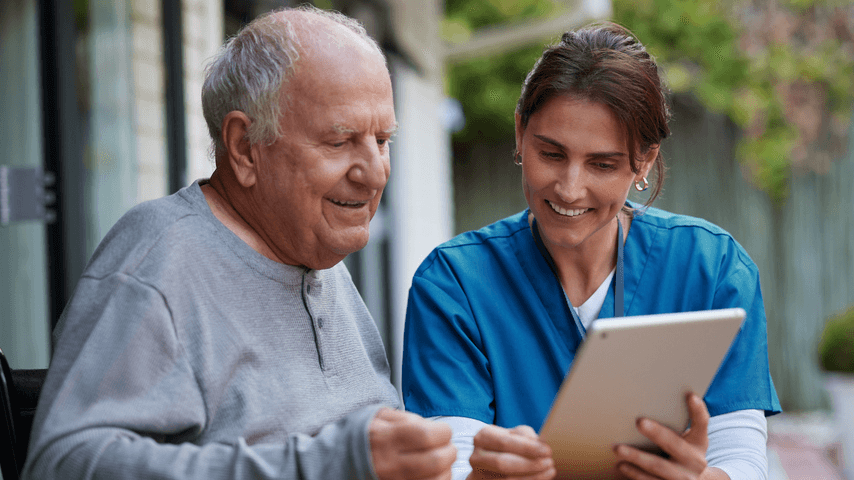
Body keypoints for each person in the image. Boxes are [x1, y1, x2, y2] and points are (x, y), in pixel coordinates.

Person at [22, 6, 456, 480]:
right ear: (246, 147)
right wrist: (329, 464)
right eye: (340, 141)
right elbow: (61, 464)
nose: (374, 174)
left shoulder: (314, 252)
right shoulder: (159, 261)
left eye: (382, 140)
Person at [401, 22, 781, 480]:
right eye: (552, 154)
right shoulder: (455, 283)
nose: (570, 188)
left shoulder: (712, 268)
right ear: (521, 132)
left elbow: (741, 461)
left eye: (602, 164)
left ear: (643, 161)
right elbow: (452, 464)